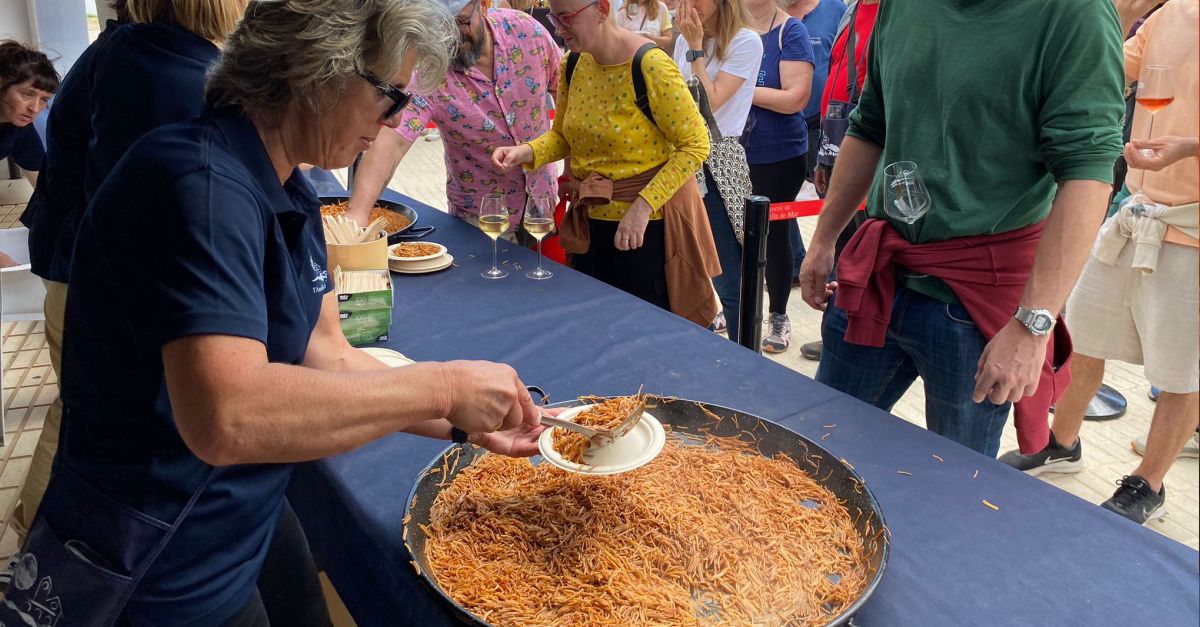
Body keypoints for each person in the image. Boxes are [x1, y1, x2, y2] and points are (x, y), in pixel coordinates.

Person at [3, 1, 546, 625]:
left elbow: (327, 353)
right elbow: (227, 416)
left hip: (242, 504)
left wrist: (463, 420)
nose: (398, 119)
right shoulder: (198, 184)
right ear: (319, 73)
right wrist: (442, 385)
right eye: (390, 96)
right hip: (160, 547)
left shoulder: (285, 185)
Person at [798, 0, 1124, 458]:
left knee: (955, 482)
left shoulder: (1074, 13)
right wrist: (824, 240)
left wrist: (1033, 327)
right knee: (818, 446)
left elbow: (1088, 172)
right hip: (881, 276)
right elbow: (871, 121)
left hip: (975, 304)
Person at [13, 0, 245, 541]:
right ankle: (42, 542)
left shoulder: (134, 48)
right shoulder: (162, 70)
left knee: (80, 410)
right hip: (89, 279)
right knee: (84, 416)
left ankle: (39, 530)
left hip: (76, 264)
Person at [999, 0, 1197, 526]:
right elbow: (1113, 68)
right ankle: (1062, 444)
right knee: (1082, 333)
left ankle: (1147, 484)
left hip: (1196, 229)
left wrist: (1191, 148)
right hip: (1138, 208)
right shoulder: (1171, 14)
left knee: (1183, 372)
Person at [493, 0, 718, 327]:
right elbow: (564, 137)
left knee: (643, 334)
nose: (558, 28)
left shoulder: (651, 66)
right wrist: (524, 152)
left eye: (566, 18)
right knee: (594, 329)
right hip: (590, 229)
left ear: (600, 9)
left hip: (645, 233)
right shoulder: (572, 63)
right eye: (554, 18)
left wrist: (642, 207)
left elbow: (696, 145)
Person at [347, 0, 561, 243]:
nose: (451, 37)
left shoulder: (526, 31)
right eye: (440, 27)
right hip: (481, 222)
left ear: (481, 6)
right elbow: (391, 144)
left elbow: (565, 93)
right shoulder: (429, 71)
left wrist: (576, 173)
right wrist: (358, 214)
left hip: (542, 203)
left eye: (461, 22)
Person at [673, 0, 762, 344]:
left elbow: (707, 103)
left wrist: (695, 47)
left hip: (716, 166)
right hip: (681, 160)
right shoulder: (684, 38)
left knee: (729, 276)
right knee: (688, 269)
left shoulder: (745, 41)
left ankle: (744, 356)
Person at [797, 0, 878, 361]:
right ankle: (836, 332)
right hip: (836, 139)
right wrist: (825, 156)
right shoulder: (854, 10)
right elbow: (837, 79)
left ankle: (850, 336)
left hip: (868, 152)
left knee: (861, 253)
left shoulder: (898, 12)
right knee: (842, 251)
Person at [742, 0, 813, 353]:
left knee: (775, 234)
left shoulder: (790, 31)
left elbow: (796, 98)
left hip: (780, 154)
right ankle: (734, 305)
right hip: (732, 151)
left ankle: (778, 315)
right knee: (731, 233)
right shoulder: (730, 29)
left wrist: (736, 89)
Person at [0, 41, 57, 188]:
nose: (35, 108)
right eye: (27, 94)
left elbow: (44, 188)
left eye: (44, 99)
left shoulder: (19, 130)